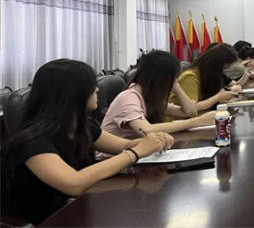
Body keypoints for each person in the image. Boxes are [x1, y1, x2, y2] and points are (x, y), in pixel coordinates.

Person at [1, 60, 173, 225]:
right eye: (91, 86)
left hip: (70, 208)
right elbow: (73, 183)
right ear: (72, 94)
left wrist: (153, 141)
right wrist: (136, 152)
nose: (97, 90)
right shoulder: (32, 141)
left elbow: (123, 146)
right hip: (37, 219)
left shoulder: (81, 125)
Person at [101, 51, 219, 142]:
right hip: (114, 158)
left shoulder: (151, 96)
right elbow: (146, 130)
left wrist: (176, 86)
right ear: (160, 79)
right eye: (172, 78)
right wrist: (198, 121)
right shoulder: (129, 97)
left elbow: (190, 112)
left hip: (140, 153)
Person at [169, 43, 240, 111]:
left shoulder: (206, 76)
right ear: (216, 64)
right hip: (180, 119)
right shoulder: (190, 76)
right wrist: (218, 97)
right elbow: (192, 109)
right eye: (224, 68)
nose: (223, 72)